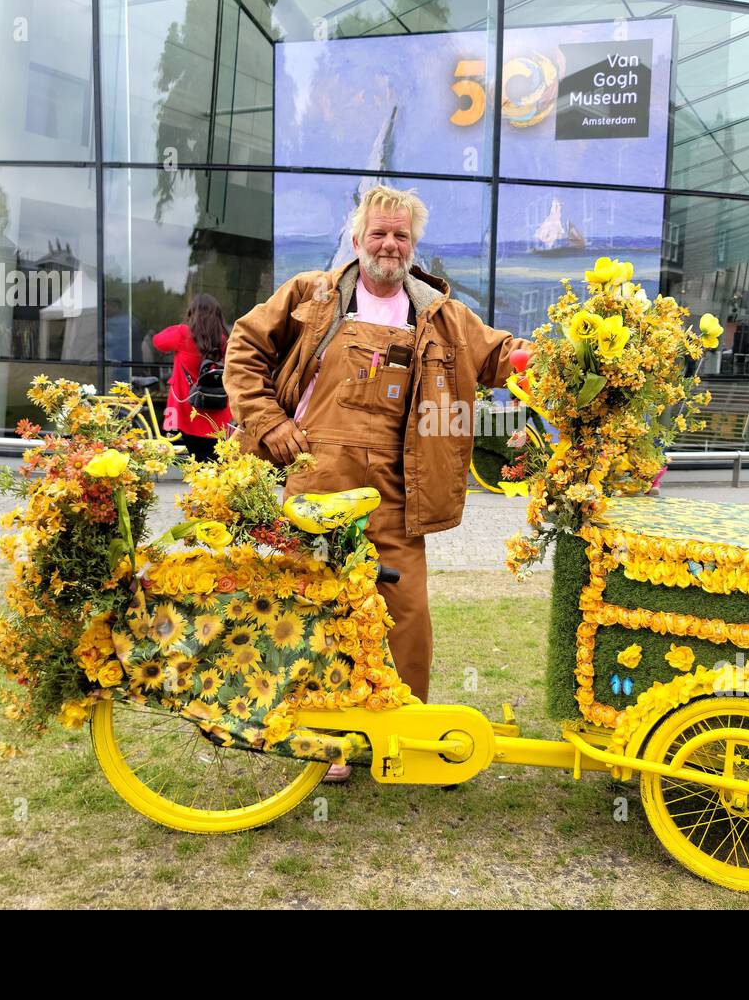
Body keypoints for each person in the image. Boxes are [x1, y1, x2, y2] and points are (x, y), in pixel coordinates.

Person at [224, 185, 530, 780]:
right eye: (379, 233)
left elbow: (501, 355)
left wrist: (562, 361)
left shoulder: (440, 314)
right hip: (317, 475)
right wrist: (267, 421)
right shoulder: (311, 296)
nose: (389, 244)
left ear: (413, 245)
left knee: (404, 610)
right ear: (358, 239)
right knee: (318, 604)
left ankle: (402, 728)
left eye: (401, 235)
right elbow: (244, 348)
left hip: (398, 486)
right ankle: (323, 734)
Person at [153, 293, 233, 462]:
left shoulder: (182, 334)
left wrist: (182, 325)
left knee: (197, 461)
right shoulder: (225, 340)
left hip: (188, 407)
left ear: (192, 313)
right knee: (217, 462)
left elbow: (158, 341)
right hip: (217, 409)